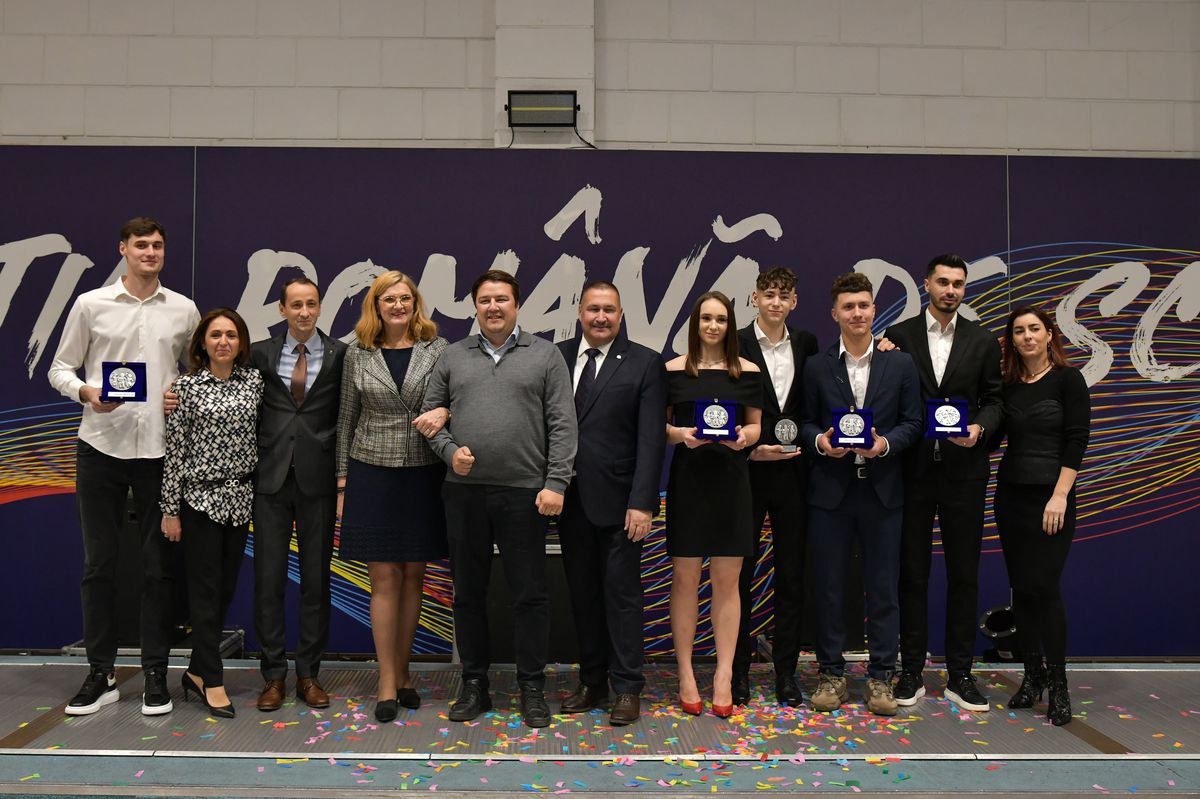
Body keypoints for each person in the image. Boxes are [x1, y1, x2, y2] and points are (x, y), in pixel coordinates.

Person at [48, 217, 199, 716]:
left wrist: (182, 393)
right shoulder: (91, 304)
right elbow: (59, 369)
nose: (150, 252)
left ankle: (156, 673)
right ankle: (101, 673)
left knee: (159, 569)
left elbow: (197, 371)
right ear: (123, 250)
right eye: (141, 245)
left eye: (157, 245)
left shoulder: (184, 309)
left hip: (160, 451)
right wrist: (86, 391)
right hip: (101, 447)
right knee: (99, 566)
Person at [421, 269, 576, 729]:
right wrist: (450, 453)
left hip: (526, 494)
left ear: (517, 305)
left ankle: (532, 688)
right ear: (475, 307)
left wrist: (557, 483)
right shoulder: (453, 355)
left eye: (501, 299)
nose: (493, 307)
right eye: (485, 300)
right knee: (468, 594)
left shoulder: (545, 355)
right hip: (464, 493)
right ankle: (474, 684)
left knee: (530, 594)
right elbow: (430, 419)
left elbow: (563, 424)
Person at [883, 254, 1003, 712]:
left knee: (964, 575)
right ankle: (911, 671)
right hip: (911, 472)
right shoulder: (898, 337)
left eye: (958, 284)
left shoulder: (983, 340)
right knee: (911, 574)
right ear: (926, 285)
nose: (951, 290)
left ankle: (960, 675)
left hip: (964, 473)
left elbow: (996, 400)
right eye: (943, 282)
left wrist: (980, 429)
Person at [800, 272, 922, 716]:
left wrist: (883, 444)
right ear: (834, 313)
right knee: (830, 588)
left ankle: (881, 678)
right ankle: (831, 675)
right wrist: (820, 442)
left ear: (874, 310)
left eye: (864, 305)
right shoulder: (816, 365)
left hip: (883, 492)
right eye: (848, 307)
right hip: (830, 493)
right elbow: (804, 421)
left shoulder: (900, 364)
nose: (857, 313)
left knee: (884, 589)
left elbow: (913, 422)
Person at [336, 270, 450, 724]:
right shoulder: (357, 353)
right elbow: (346, 419)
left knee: (414, 576)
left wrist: (444, 412)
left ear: (415, 303)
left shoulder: (437, 349)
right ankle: (386, 681)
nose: (398, 306)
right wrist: (342, 482)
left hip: (424, 471)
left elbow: (452, 401)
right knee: (383, 579)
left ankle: (404, 674)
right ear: (376, 306)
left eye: (405, 298)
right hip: (372, 472)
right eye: (389, 299)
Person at [556, 281, 667, 726]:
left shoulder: (645, 362)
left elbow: (651, 439)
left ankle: (627, 687)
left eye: (609, 310)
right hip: (569, 501)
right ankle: (592, 681)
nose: (600, 317)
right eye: (592, 309)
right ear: (579, 312)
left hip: (623, 505)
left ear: (621, 315)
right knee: (582, 596)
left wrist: (643, 502)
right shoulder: (557, 357)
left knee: (622, 597)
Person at [250, 277, 348, 713]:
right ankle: (273, 676)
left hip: (318, 481)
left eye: (311, 304)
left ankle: (308, 674)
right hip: (269, 480)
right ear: (282, 310)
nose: (304, 312)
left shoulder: (342, 354)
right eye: (296, 305)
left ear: (320, 307)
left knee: (316, 582)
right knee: (268, 582)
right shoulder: (259, 353)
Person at [161, 308, 264, 719]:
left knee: (223, 590)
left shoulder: (254, 382)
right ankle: (214, 681)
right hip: (199, 501)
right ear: (202, 342)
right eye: (216, 334)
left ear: (241, 343)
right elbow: (174, 452)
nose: (224, 341)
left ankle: (196, 670)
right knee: (204, 592)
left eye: (231, 335)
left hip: (240, 500)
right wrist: (170, 510)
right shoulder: (185, 388)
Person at [664, 291, 762, 718]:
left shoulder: (748, 371)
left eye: (721, 319)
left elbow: (756, 427)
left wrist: (744, 438)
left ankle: (723, 674)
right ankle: (686, 673)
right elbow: (660, 426)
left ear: (730, 325)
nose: (713, 326)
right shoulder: (673, 370)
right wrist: (681, 435)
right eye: (706, 318)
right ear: (695, 323)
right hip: (688, 482)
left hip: (732, 483)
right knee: (685, 579)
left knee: (727, 581)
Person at [993, 306, 1089, 727]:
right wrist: (964, 432)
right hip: (1010, 498)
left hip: (1052, 499)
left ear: (1049, 334)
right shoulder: (1009, 387)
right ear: (1012, 340)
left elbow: (1077, 439)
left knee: (1045, 588)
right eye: (1019, 331)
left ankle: (1059, 684)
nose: (1028, 336)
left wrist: (1060, 496)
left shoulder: (1069, 380)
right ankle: (1032, 677)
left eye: (1035, 328)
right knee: (1022, 590)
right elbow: (993, 437)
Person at [734, 267, 818, 708]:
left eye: (784, 295)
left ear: (794, 302)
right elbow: (722, 407)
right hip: (746, 472)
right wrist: (750, 450)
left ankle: (786, 672)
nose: (776, 302)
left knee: (792, 576)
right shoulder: (735, 344)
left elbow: (813, 405)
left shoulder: (807, 343)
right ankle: (737, 672)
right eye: (768, 294)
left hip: (795, 474)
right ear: (754, 298)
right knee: (739, 575)